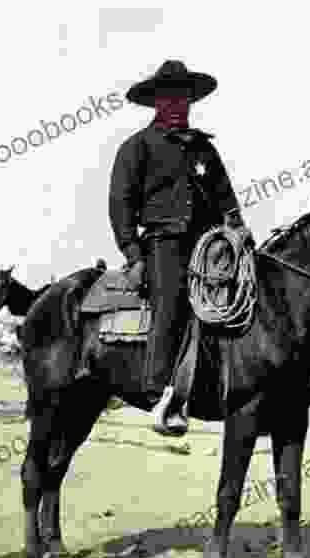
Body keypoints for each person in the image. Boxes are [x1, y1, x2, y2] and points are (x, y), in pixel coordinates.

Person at [108, 60, 249, 436]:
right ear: (156, 101)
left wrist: (236, 228)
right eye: (169, 97)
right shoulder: (136, 147)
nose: (177, 104)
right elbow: (120, 205)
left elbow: (226, 199)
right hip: (162, 243)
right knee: (171, 302)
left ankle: (235, 386)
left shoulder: (205, 149)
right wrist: (133, 256)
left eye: (183, 97)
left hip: (208, 244)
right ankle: (161, 393)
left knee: (240, 297)